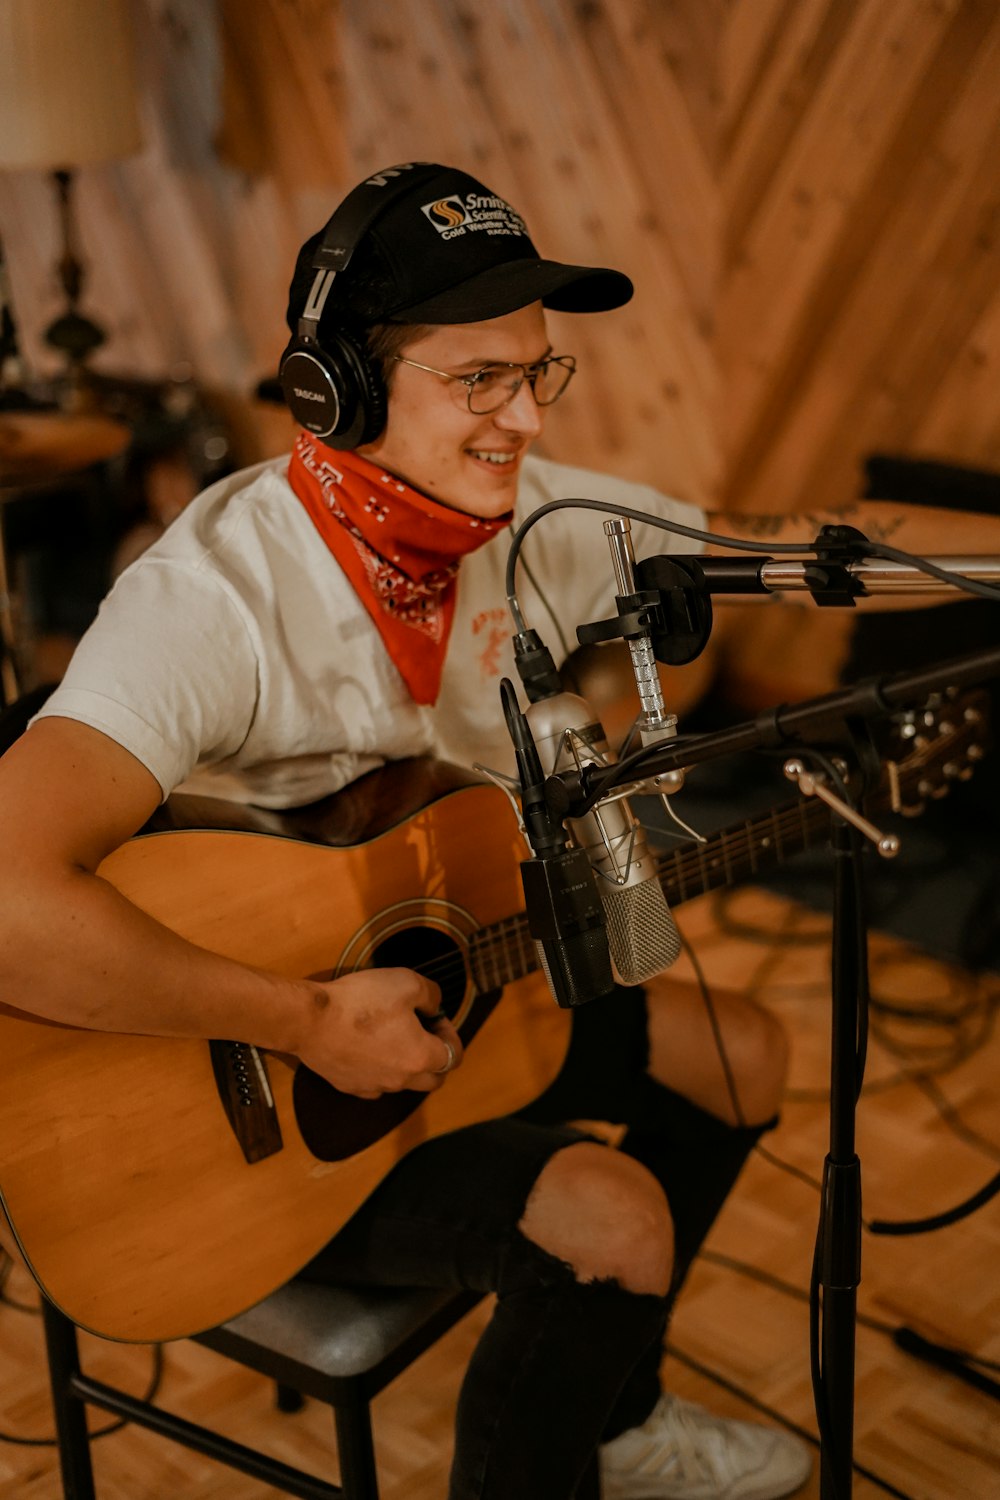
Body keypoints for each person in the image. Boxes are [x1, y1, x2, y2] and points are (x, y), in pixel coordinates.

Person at [1, 162, 996, 1500]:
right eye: (480, 381)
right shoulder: (210, 605)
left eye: (540, 374)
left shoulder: (532, 524)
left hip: (440, 998)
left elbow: (800, 542)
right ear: (335, 392)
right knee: (612, 1216)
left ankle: (609, 1411)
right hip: (239, 1109)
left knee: (744, 1052)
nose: (524, 418)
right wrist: (300, 1023)